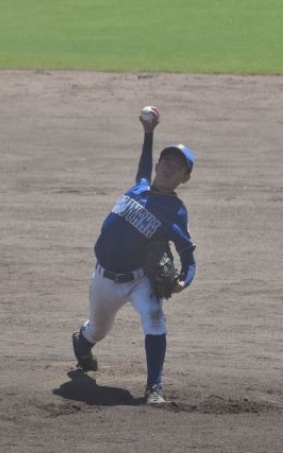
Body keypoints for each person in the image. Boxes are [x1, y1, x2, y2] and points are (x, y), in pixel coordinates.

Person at [72, 107, 197, 404]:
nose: (168, 167)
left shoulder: (175, 212)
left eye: (177, 166)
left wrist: (184, 281)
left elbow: (188, 255)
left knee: (155, 318)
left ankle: (154, 387)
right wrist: (148, 133)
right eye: (166, 161)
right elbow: (142, 167)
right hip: (104, 278)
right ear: (158, 165)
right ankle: (82, 344)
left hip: (140, 280)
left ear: (185, 177)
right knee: (97, 330)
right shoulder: (139, 187)